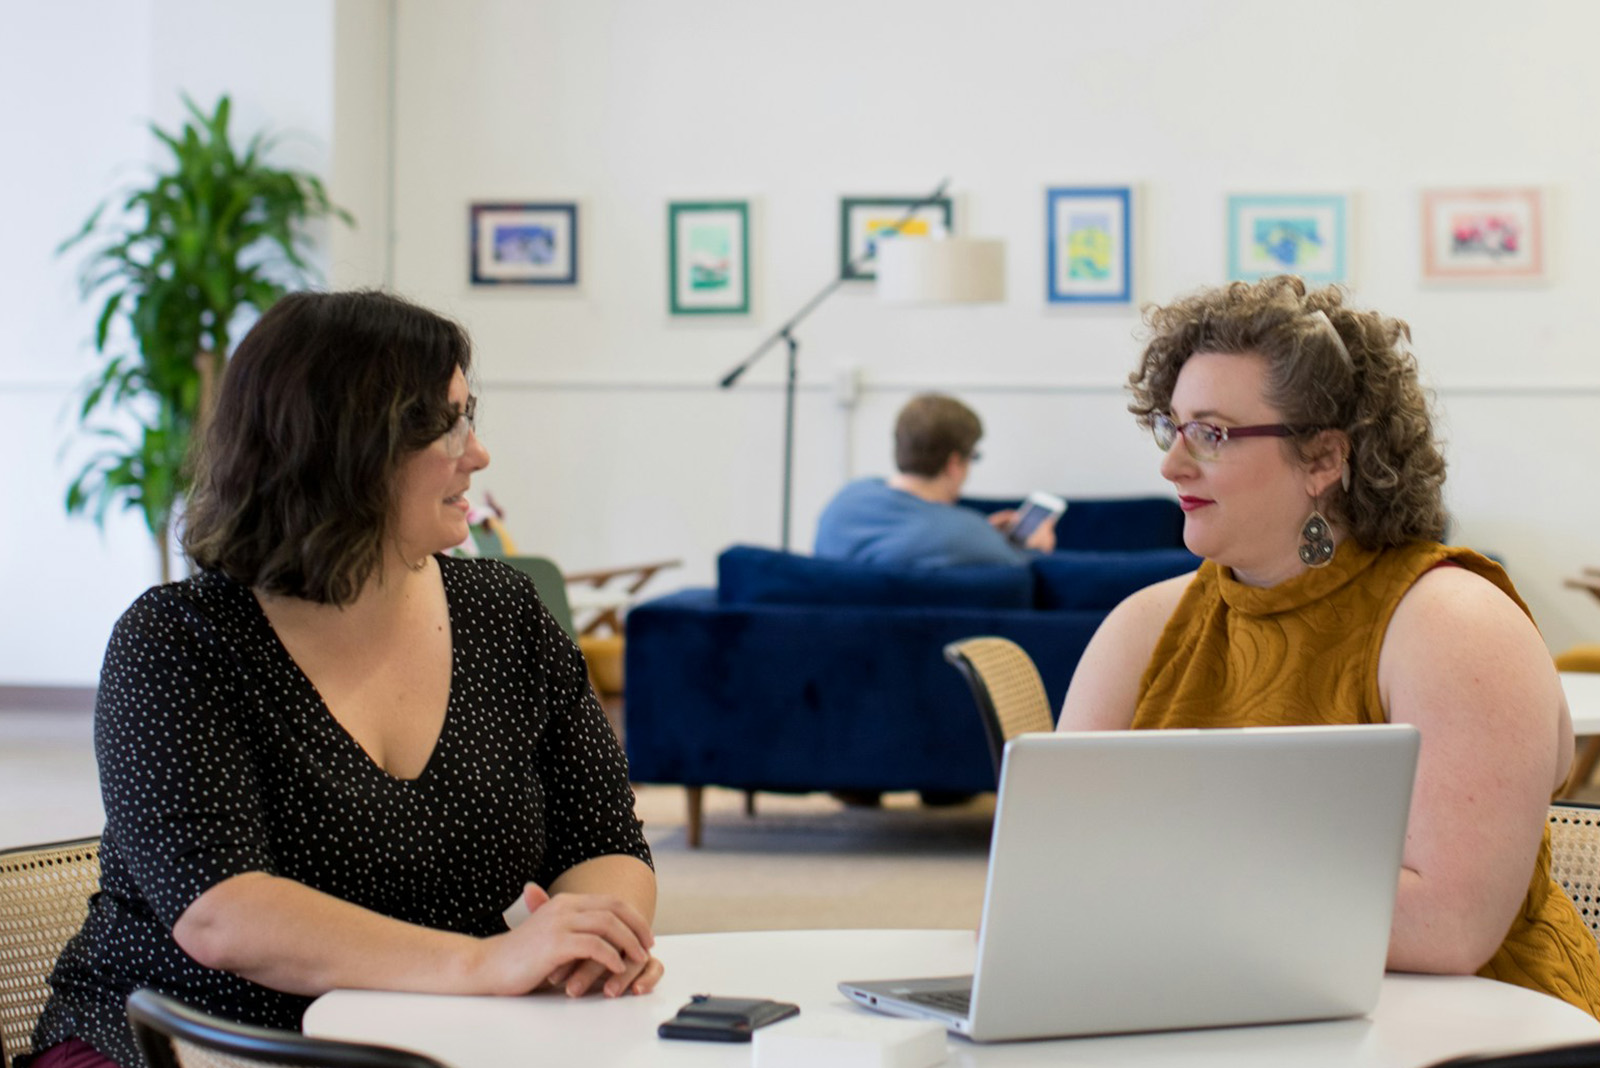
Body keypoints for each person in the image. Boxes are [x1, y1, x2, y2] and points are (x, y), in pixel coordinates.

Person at [28, 291, 661, 1068]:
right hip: (193, 1042)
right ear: (341, 449)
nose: (478, 452)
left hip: (440, 1035)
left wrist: (592, 938)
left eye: (470, 415)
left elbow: (603, 840)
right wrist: (484, 965)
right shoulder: (177, 641)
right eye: (443, 424)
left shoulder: (506, 613)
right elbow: (221, 914)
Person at [1057, 275, 1600, 1016]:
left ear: (1323, 460)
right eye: (1171, 426)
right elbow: (1052, 880)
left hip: (1475, 1028)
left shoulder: (1453, 625)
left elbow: (1451, 928)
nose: (1171, 465)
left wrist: (1158, 892)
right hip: (1214, 1010)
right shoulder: (1141, 628)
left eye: (1211, 433)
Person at [814, 392, 1055, 567]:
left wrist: (985, 533)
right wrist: (1036, 551)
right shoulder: (967, 535)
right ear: (954, 463)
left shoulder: (846, 499)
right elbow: (1017, 571)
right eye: (973, 457)